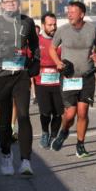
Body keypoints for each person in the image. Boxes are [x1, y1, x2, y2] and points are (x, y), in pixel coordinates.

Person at [0, 0, 40, 177]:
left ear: (19, 2)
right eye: (7, 2)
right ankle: (6, 155)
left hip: (21, 75)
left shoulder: (27, 22)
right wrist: (1, 53)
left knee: (24, 116)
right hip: (0, 76)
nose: (11, 4)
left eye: (14, 1)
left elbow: (35, 44)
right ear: (2, 5)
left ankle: (26, 161)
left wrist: (35, 62)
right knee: (4, 120)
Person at [48, 1, 96, 158]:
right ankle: (64, 132)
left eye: (72, 12)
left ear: (81, 14)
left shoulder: (92, 29)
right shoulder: (63, 30)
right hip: (69, 76)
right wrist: (57, 62)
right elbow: (52, 48)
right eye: (68, 12)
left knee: (82, 112)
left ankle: (80, 145)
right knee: (70, 114)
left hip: (87, 76)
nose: (69, 14)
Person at [34, 13, 64, 149]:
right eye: (50, 25)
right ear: (43, 26)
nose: (53, 27)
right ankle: (45, 132)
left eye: (54, 24)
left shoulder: (61, 40)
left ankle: (53, 136)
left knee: (58, 112)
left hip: (58, 82)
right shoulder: (37, 41)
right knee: (45, 111)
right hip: (41, 82)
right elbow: (30, 57)